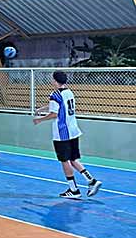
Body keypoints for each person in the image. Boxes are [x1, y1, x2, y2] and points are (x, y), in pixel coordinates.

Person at [33, 71, 102, 199]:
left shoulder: (55, 95)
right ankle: (91, 180)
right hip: (73, 130)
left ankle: (74, 189)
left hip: (62, 133)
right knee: (73, 159)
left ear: (55, 81)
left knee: (64, 161)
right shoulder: (69, 92)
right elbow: (58, 106)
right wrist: (42, 109)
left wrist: (40, 119)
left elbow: (54, 114)